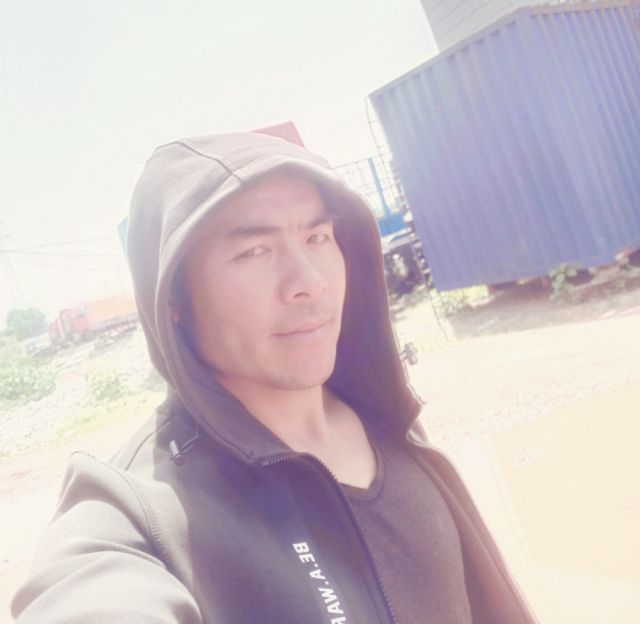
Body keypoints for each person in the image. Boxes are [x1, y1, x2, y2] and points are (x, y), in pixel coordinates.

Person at [12, 132, 535, 623]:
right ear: (172, 297)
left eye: (318, 237)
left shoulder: (383, 416)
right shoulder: (140, 511)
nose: (309, 281)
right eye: (254, 251)